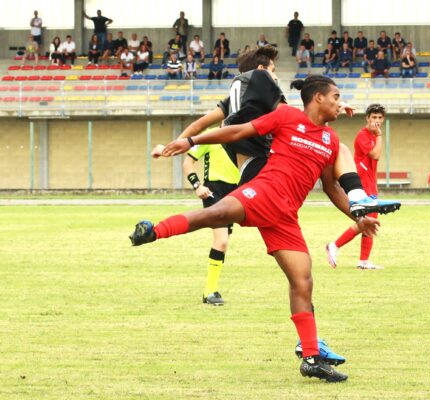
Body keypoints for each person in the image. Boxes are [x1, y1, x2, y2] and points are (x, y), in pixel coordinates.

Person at [130, 75, 395, 382]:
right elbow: (238, 131)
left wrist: (357, 218)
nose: (340, 102)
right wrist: (191, 140)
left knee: (303, 280)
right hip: (263, 192)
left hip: (285, 217)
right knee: (216, 213)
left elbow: (332, 187)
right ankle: (154, 230)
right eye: (336, 96)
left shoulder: (331, 140)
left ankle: (311, 357)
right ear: (318, 98)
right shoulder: (286, 116)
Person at [326, 104, 387, 270]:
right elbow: (375, 155)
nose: (376, 121)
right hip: (362, 184)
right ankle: (335, 245)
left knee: (369, 221)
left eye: (380, 118)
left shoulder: (373, 136)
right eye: (373, 117)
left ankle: (363, 261)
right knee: (366, 222)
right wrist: (380, 135)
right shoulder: (363, 135)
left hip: (370, 183)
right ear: (367, 118)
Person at [182, 131, 240, 305]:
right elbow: (188, 162)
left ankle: (210, 290)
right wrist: (197, 186)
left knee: (223, 244)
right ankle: (210, 292)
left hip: (235, 194)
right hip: (214, 193)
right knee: (221, 241)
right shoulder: (210, 136)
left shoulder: (242, 137)